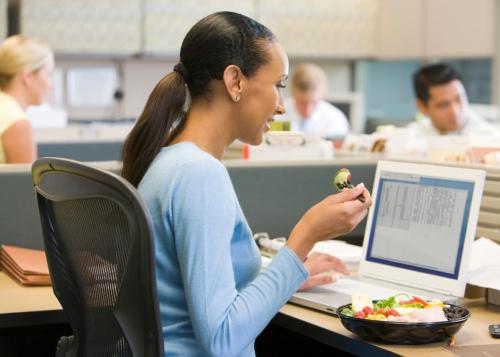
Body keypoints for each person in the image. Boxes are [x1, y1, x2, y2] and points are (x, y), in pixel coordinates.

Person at [122, 12, 371, 356]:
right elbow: (222, 340)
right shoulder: (199, 175)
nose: (282, 106)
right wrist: (304, 238)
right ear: (235, 81)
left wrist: (289, 274)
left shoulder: (170, 160)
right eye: (278, 85)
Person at [0, 35, 54, 163]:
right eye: (48, 74)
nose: (50, 84)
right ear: (28, 76)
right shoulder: (17, 122)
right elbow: (24, 182)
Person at [407, 62, 499, 136]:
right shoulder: (411, 137)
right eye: (443, 105)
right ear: (421, 106)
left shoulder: (488, 138)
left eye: (459, 99)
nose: (455, 112)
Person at [275, 63, 350, 138]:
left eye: (313, 103)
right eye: (302, 103)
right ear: (293, 93)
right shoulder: (276, 114)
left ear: (322, 96)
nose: (307, 110)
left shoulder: (335, 119)